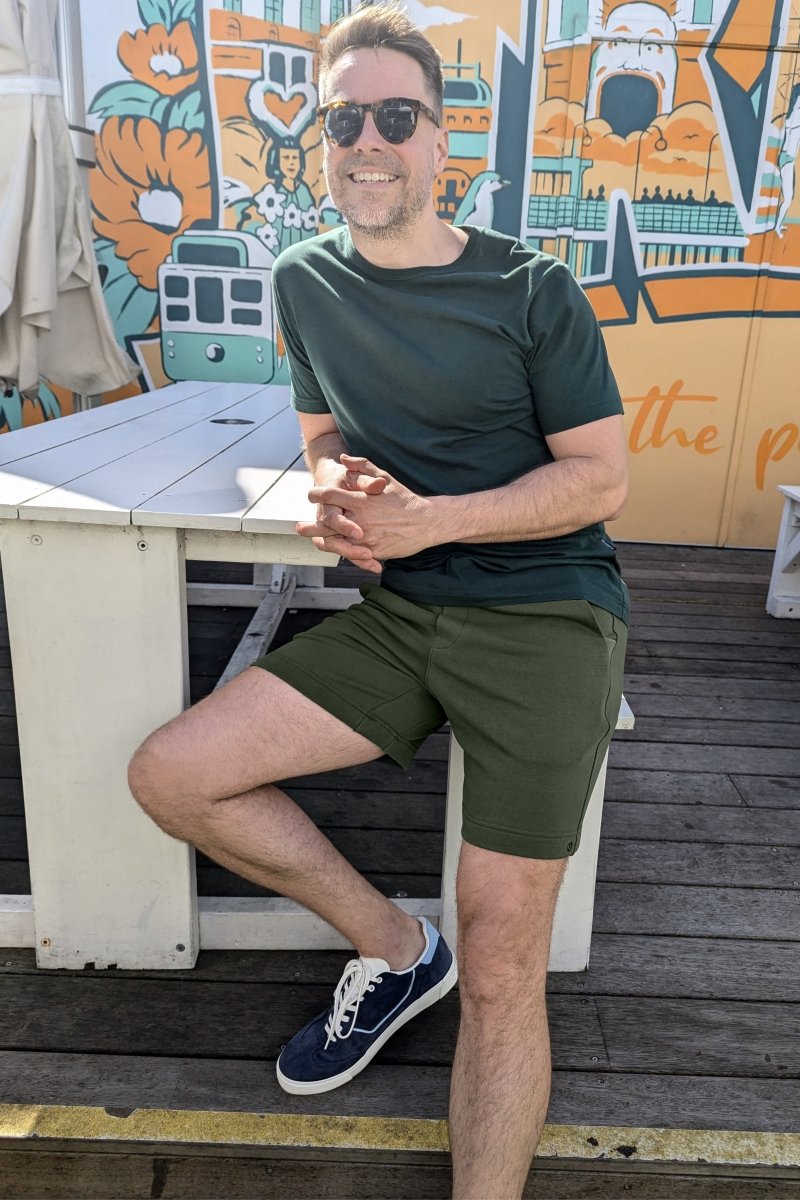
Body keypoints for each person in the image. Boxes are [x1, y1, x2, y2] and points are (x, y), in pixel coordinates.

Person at [127, 5, 629, 1197]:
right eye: (342, 116)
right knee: (172, 775)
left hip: (548, 617)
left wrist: (435, 519)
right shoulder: (302, 280)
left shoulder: (530, 288)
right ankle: (398, 950)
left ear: (439, 141)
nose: (366, 138)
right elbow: (319, 436)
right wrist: (336, 496)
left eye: (394, 116)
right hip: (404, 615)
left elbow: (600, 480)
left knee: (507, 959)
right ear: (320, 138)